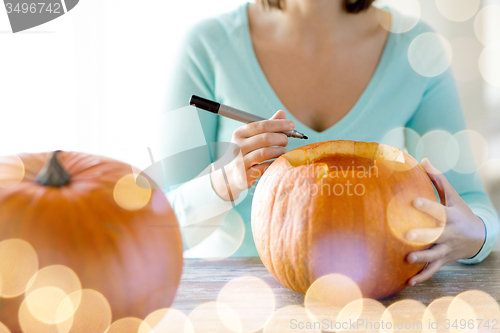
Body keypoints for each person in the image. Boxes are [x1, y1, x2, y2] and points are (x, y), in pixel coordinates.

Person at [163, 0, 499, 287]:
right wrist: (224, 182)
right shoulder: (206, 46)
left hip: (377, 302)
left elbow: (473, 207)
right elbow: (161, 227)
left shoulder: (417, 48)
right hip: (234, 304)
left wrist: (475, 237)